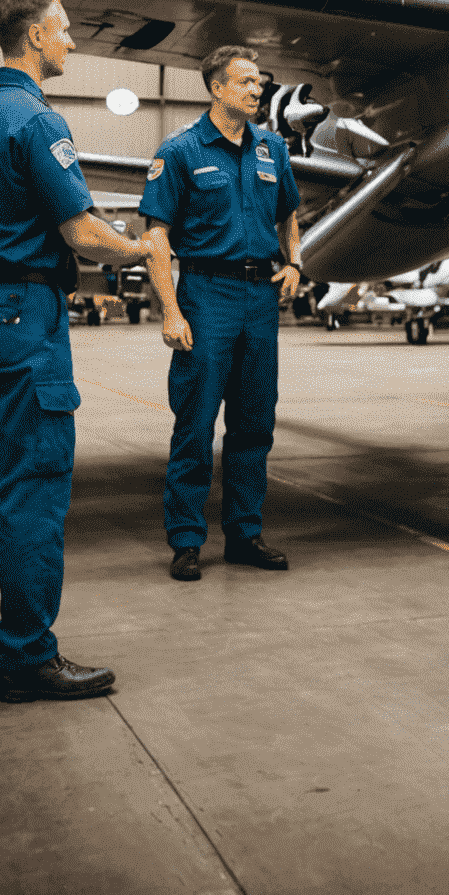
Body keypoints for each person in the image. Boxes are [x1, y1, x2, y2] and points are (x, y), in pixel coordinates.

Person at [0, 0, 165, 703]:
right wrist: (140, 248)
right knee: (32, 486)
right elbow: (81, 231)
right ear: (34, 38)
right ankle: (29, 656)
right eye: (64, 32)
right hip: (22, 313)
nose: (72, 42)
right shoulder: (37, 122)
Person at [139, 45, 302, 581]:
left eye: (261, 83)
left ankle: (244, 534)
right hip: (206, 295)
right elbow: (156, 236)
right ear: (216, 87)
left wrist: (295, 262)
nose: (258, 91)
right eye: (246, 82)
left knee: (255, 425)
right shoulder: (181, 150)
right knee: (196, 422)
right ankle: (186, 540)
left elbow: (289, 213)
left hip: (260, 301)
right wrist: (170, 311)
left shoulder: (272, 148)